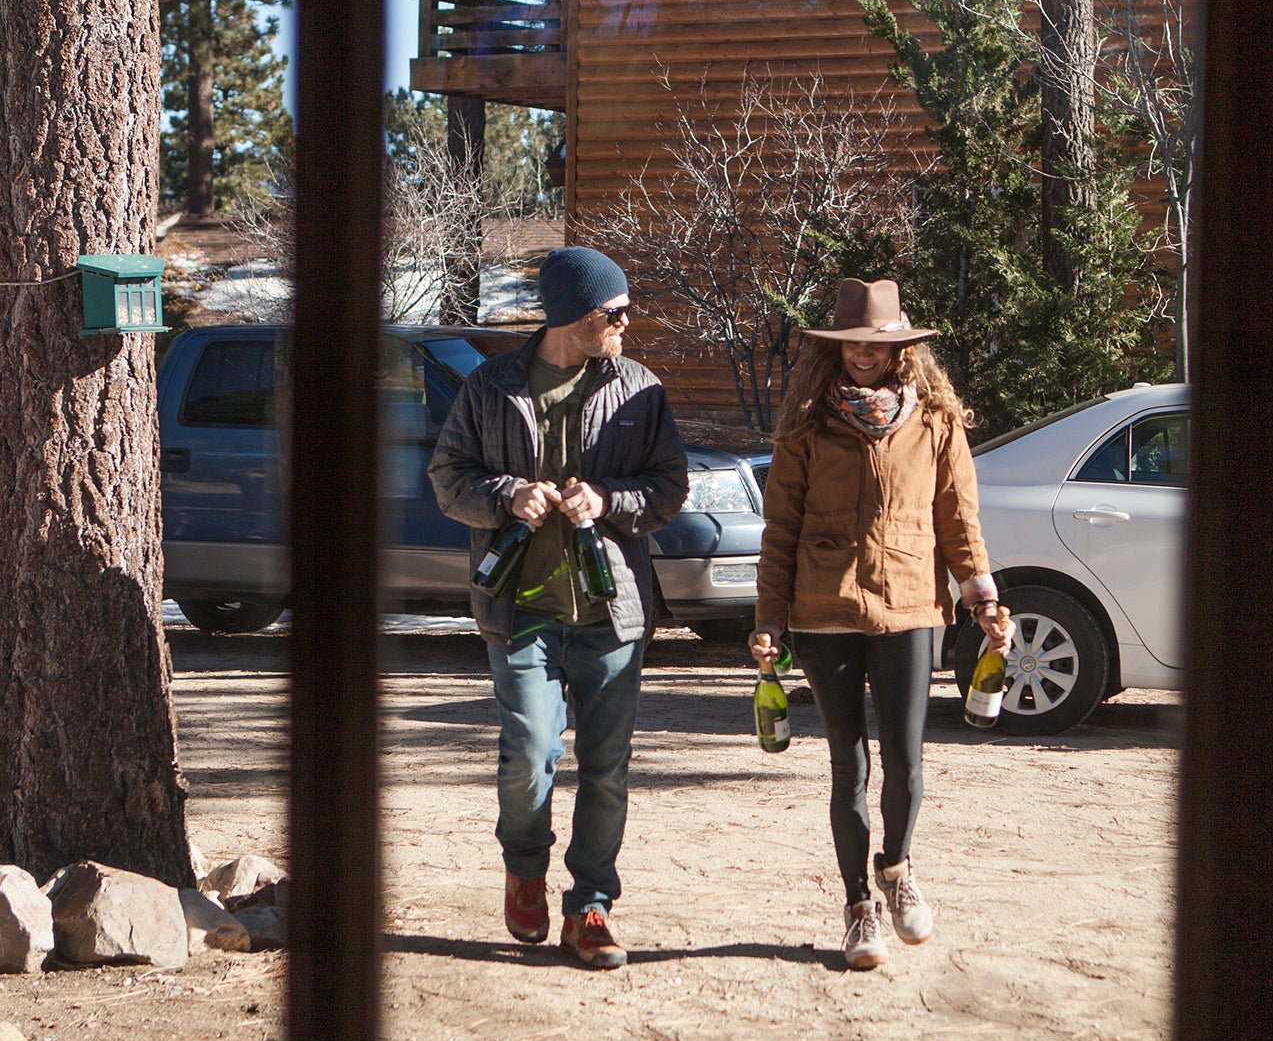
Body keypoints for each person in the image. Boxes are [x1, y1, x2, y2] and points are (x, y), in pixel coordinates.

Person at [428, 245, 689, 969]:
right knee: (533, 753)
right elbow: (448, 478)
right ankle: (525, 866)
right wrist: (506, 494)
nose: (626, 324)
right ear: (576, 317)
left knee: (607, 767)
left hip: (613, 613)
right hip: (520, 608)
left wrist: (608, 500)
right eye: (615, 312)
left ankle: (591, 908)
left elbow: (669, 485)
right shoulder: (489, 386)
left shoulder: (640, 388)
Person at [749, 277, 1013, 970]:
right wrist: (769, 617)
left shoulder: (937, 421)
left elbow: (960, 521)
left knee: (904, 757)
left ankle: (896, 868)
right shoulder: (807, 423)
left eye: (876, 344)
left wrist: (984, 600)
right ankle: (857, 905)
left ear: (900, 347)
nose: (864, 355)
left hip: (911, 606)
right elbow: (780, 528)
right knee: (849, 763)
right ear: (835, 349)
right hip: (824, 606)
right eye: (852, 344)